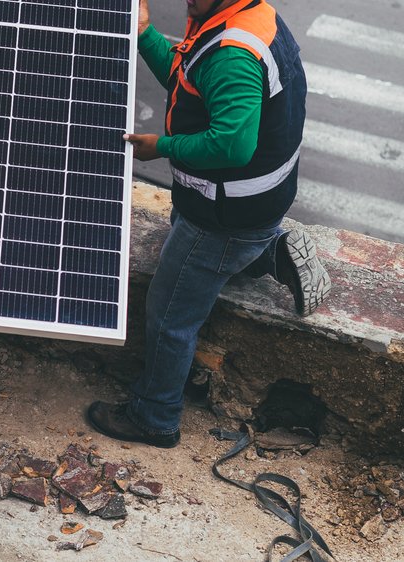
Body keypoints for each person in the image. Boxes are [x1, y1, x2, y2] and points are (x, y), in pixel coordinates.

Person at [87, 0, 332, 448]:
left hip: (224, 216)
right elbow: (191, 81)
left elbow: (232, 147)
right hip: (245, 205)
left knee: (169, 313)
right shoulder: (250, 18)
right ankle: (270, 251)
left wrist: (161, 146)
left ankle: (154, 415)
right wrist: (145, 35)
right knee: (198, 252)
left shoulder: (233, 54)